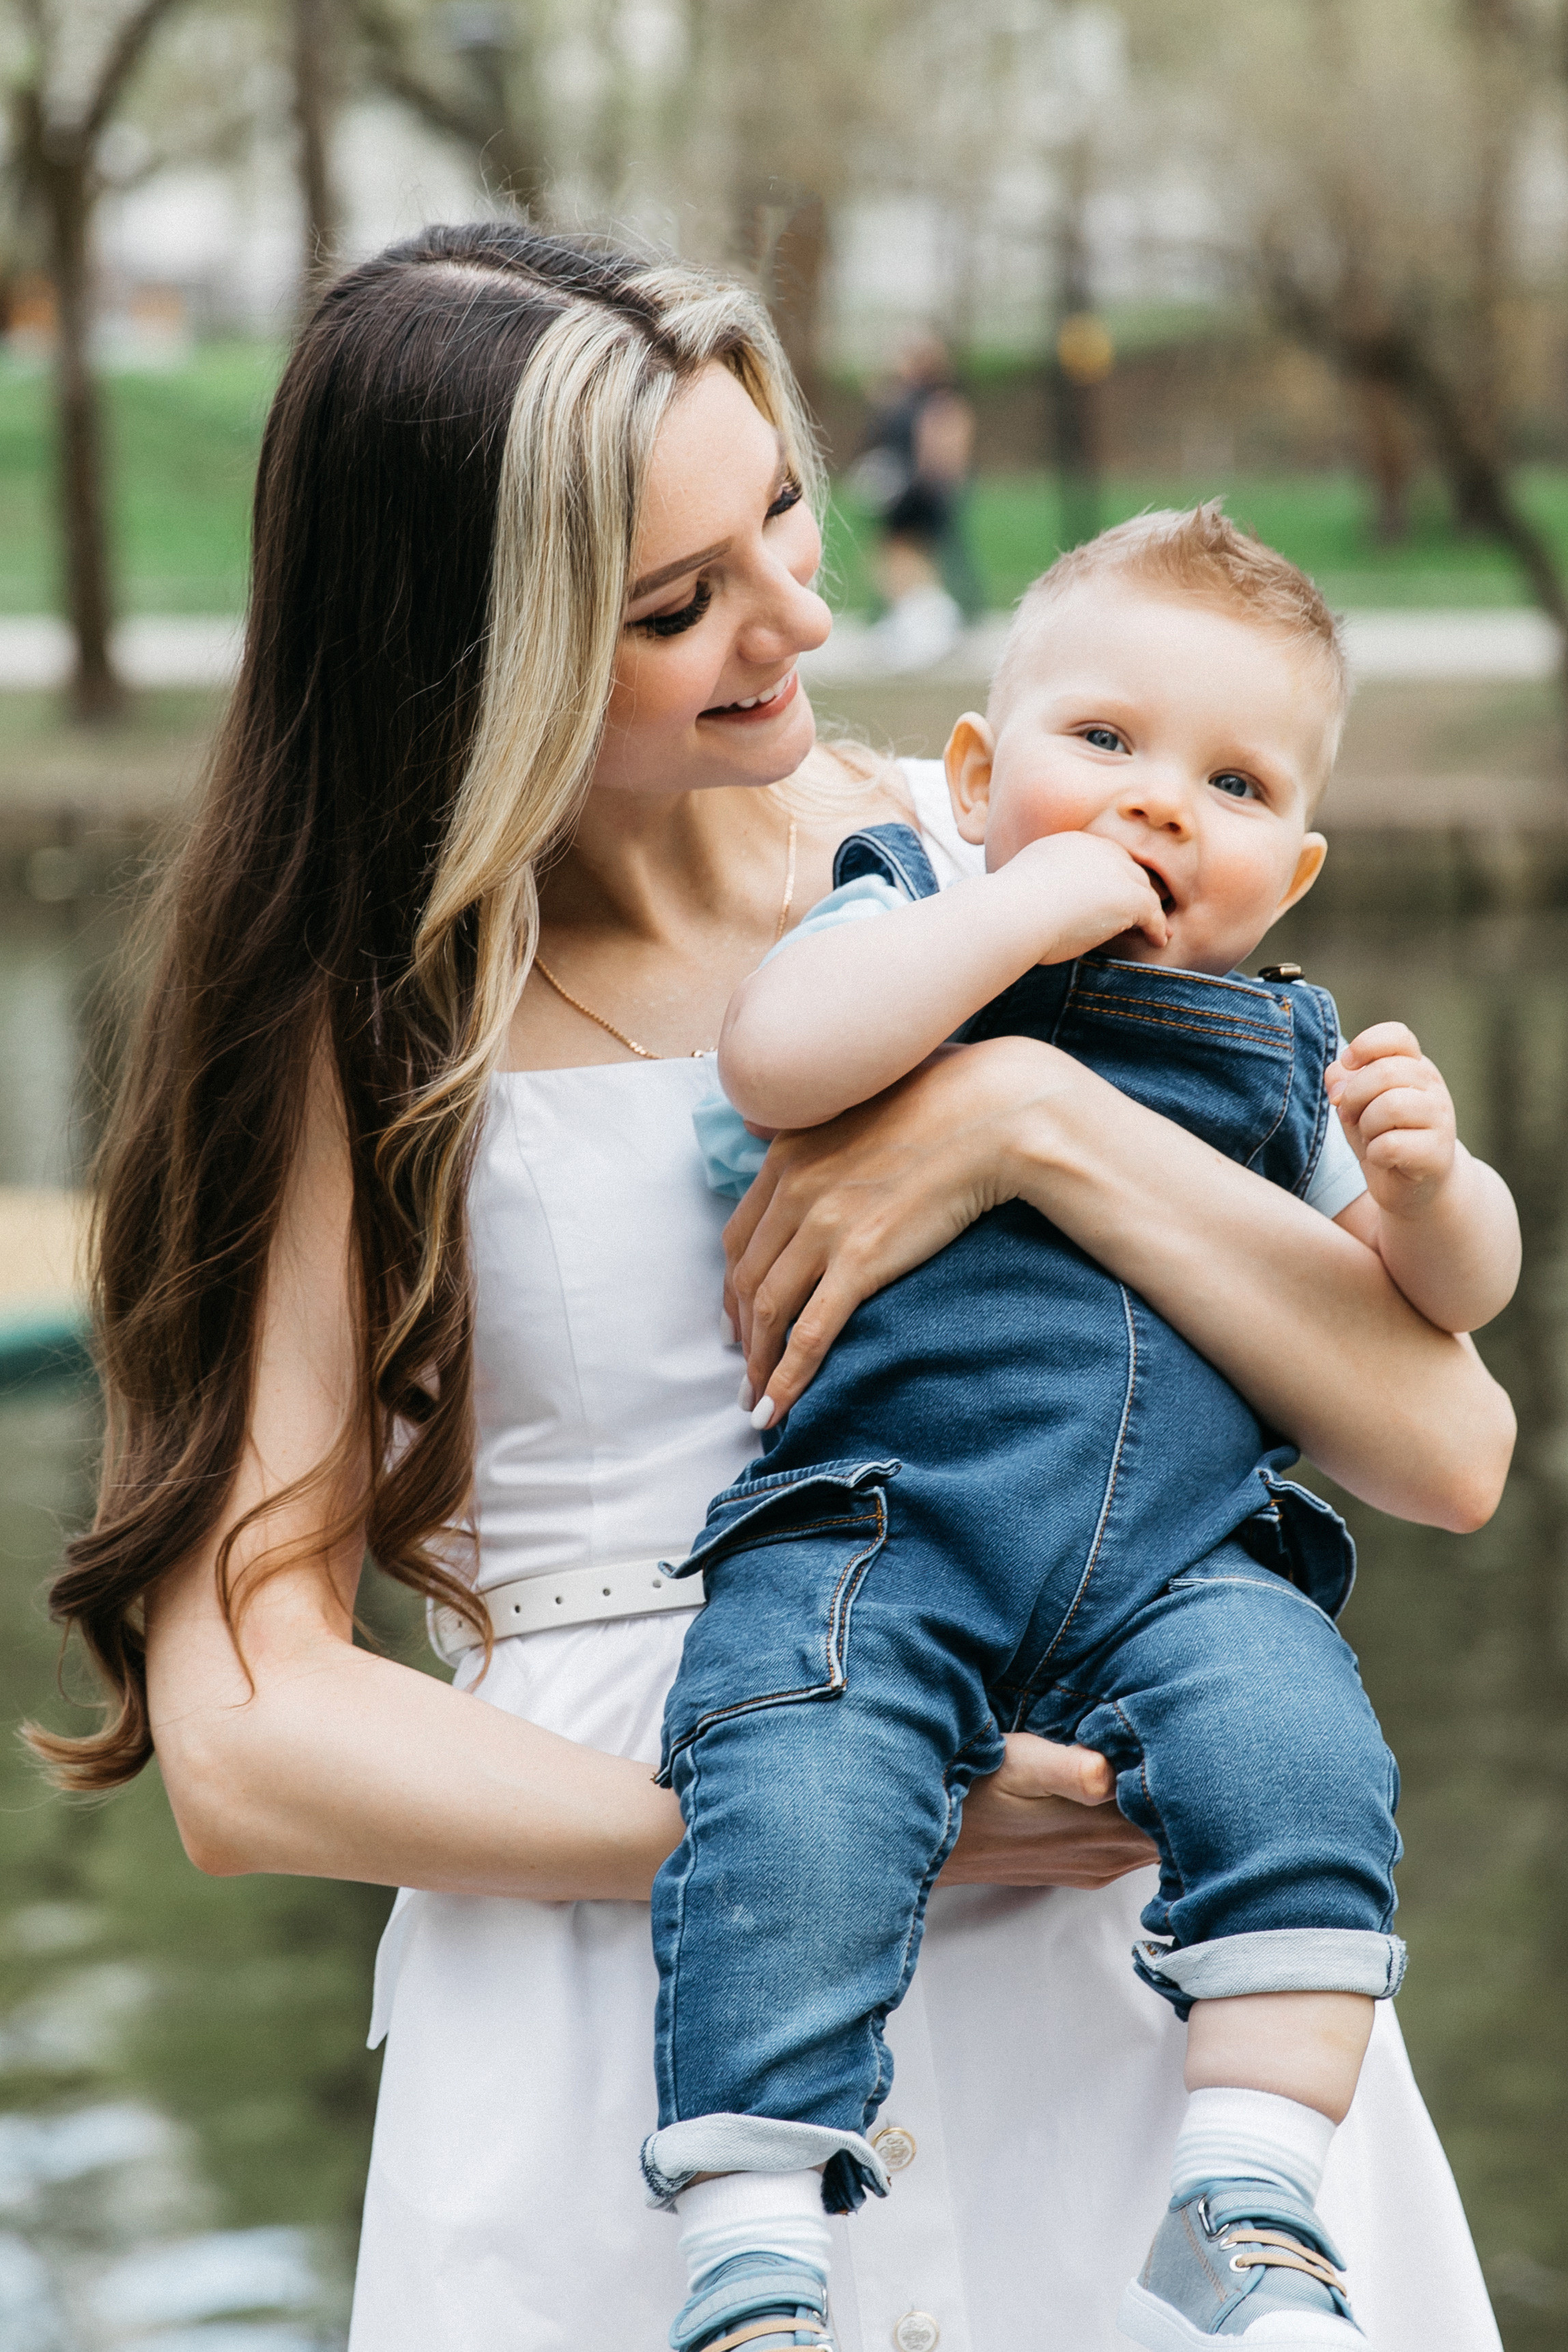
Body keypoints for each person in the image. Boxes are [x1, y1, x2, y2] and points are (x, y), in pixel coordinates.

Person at [25, 223, 1513, 2352]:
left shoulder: (1016, 858)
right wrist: (833, 1824)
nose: (802, 616)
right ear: (475, 642)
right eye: (677, 603)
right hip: (624, 1990)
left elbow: (1447, 1440)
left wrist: (1028, 1119)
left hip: (1105, 1986)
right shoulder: (355, 1022)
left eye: (787, 513)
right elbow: (246, 1740)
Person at [660, 509, 1520, 2352]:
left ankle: (1255, 2175)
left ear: (1288, 870)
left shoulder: (1270, 1049)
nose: (1152, 805)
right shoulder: (901, 899)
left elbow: (1435, 1315)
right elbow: (780, 1056)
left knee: (1308, 1760)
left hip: (1183, 1566)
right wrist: (1017, 918)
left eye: (1228, 780)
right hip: (886, 1526)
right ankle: (752, 2236)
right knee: (793, 1790)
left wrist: (1432, 1185)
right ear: (975, 772)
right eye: (1104, 745)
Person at [850, 332, 980, 670]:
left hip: (921, 490)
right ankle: (915, 620)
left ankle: (938, 622)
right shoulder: (902, 398)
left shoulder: (939, 402)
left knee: (917, 558)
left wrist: (929, 484)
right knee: (897, 557)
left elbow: (942, 450)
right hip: (903, 486)